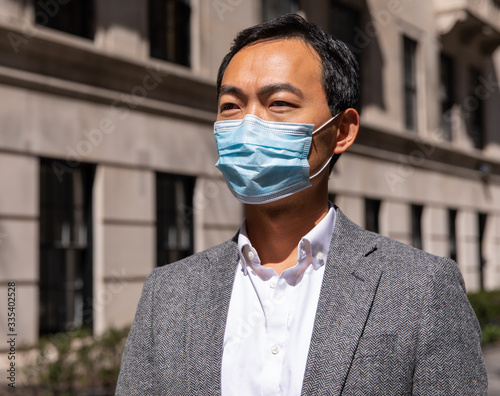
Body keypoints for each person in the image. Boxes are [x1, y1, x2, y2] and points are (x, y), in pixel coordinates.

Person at [116, 14, 487, 395]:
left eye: (278, 102)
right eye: (231, 106)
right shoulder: (168, 294)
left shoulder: (421, 290)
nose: (248, 124)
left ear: (342, 130)